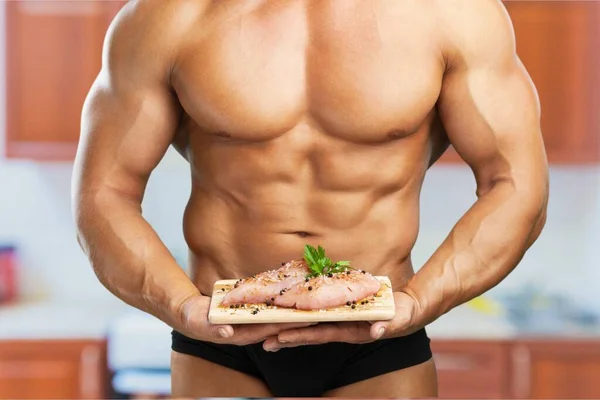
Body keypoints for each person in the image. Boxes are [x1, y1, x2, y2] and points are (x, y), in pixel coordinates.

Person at [72, 0, 549, 397]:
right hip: (223, 341)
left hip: (380, 340)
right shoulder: (168, 15)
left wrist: (418, 303)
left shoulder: (453, 14)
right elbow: (103, 193)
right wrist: (180, 307)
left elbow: (516, 184)